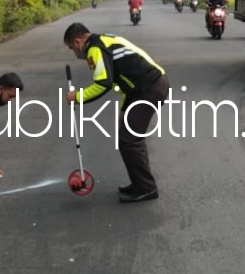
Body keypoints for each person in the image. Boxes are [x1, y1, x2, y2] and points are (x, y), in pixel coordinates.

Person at [63, 23, 169, 203]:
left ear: (78, 41)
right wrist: (124, 108)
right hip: (144, 89)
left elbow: (103, 83)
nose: (75, 52)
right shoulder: (104, 40)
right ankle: (140, 183)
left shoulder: (95, 49)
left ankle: (147, 188)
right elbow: (121, 81)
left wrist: (78, 97)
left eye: (72, 48)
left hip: (149, 88)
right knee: (128, 138)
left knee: (130, 139)